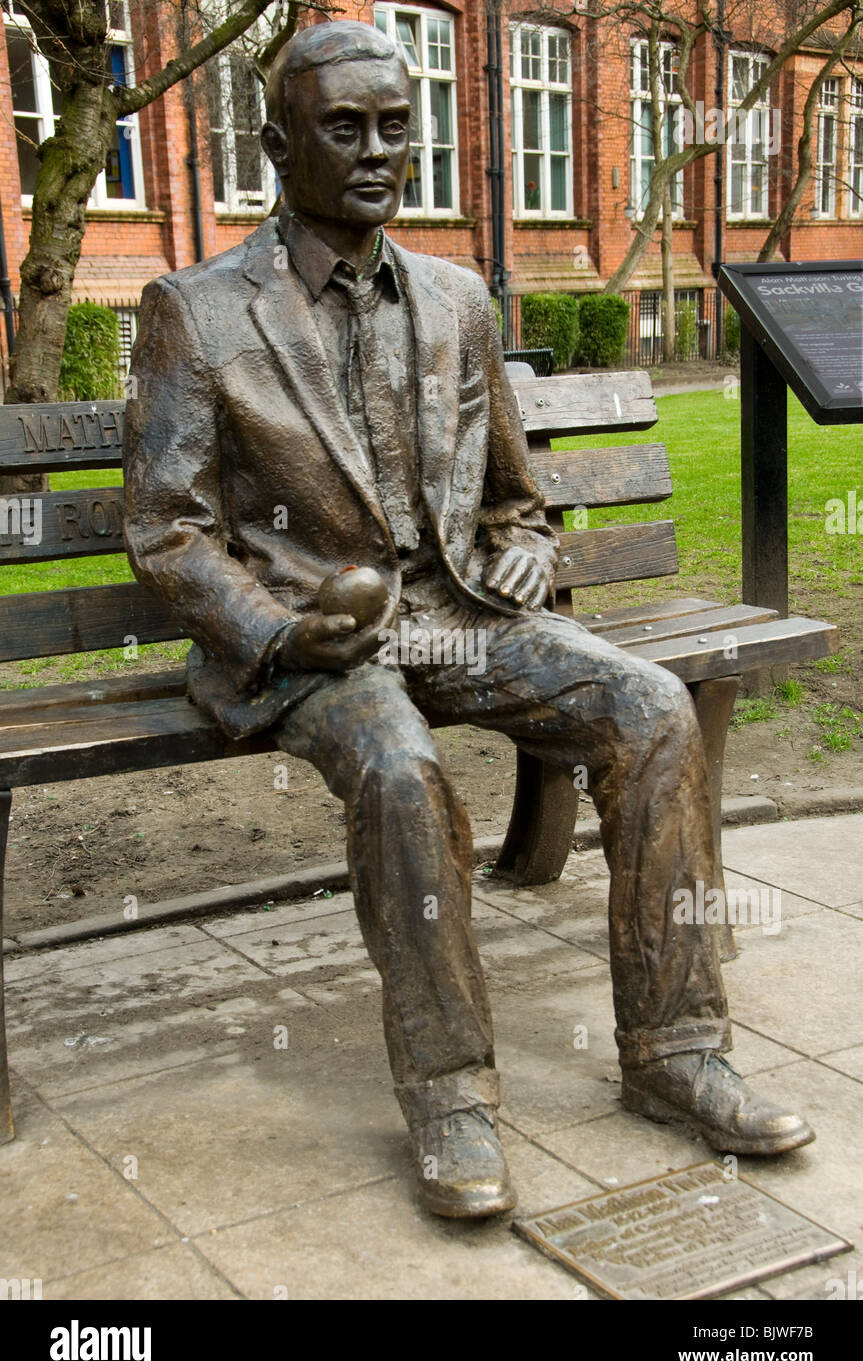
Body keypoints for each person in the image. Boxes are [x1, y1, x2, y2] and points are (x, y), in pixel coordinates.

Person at [123, 20, 814, 1220]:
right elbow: (166, 531)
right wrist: (282, 633)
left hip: (457, 615)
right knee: (398, 766)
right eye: (345, 128)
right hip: (313, 642)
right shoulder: (197, 311)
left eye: (397, 125)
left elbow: (513, 502)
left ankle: (675, 1050)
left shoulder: (454, 297)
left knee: (649, 709)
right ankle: (449, 1091)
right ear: (278, 144)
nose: (380, 151)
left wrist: (523, 554)